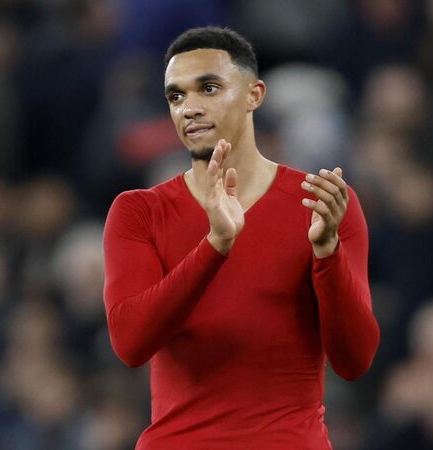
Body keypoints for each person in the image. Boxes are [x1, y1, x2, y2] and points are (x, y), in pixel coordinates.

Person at [103, 26, 380, 449]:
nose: (189, 108)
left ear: (254, 95)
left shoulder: (320, 202)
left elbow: (355, 360)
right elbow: (131, 344)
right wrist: (214, 246)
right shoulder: (139, 211)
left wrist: (328, 254)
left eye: (208, 88)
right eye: (176, 96)